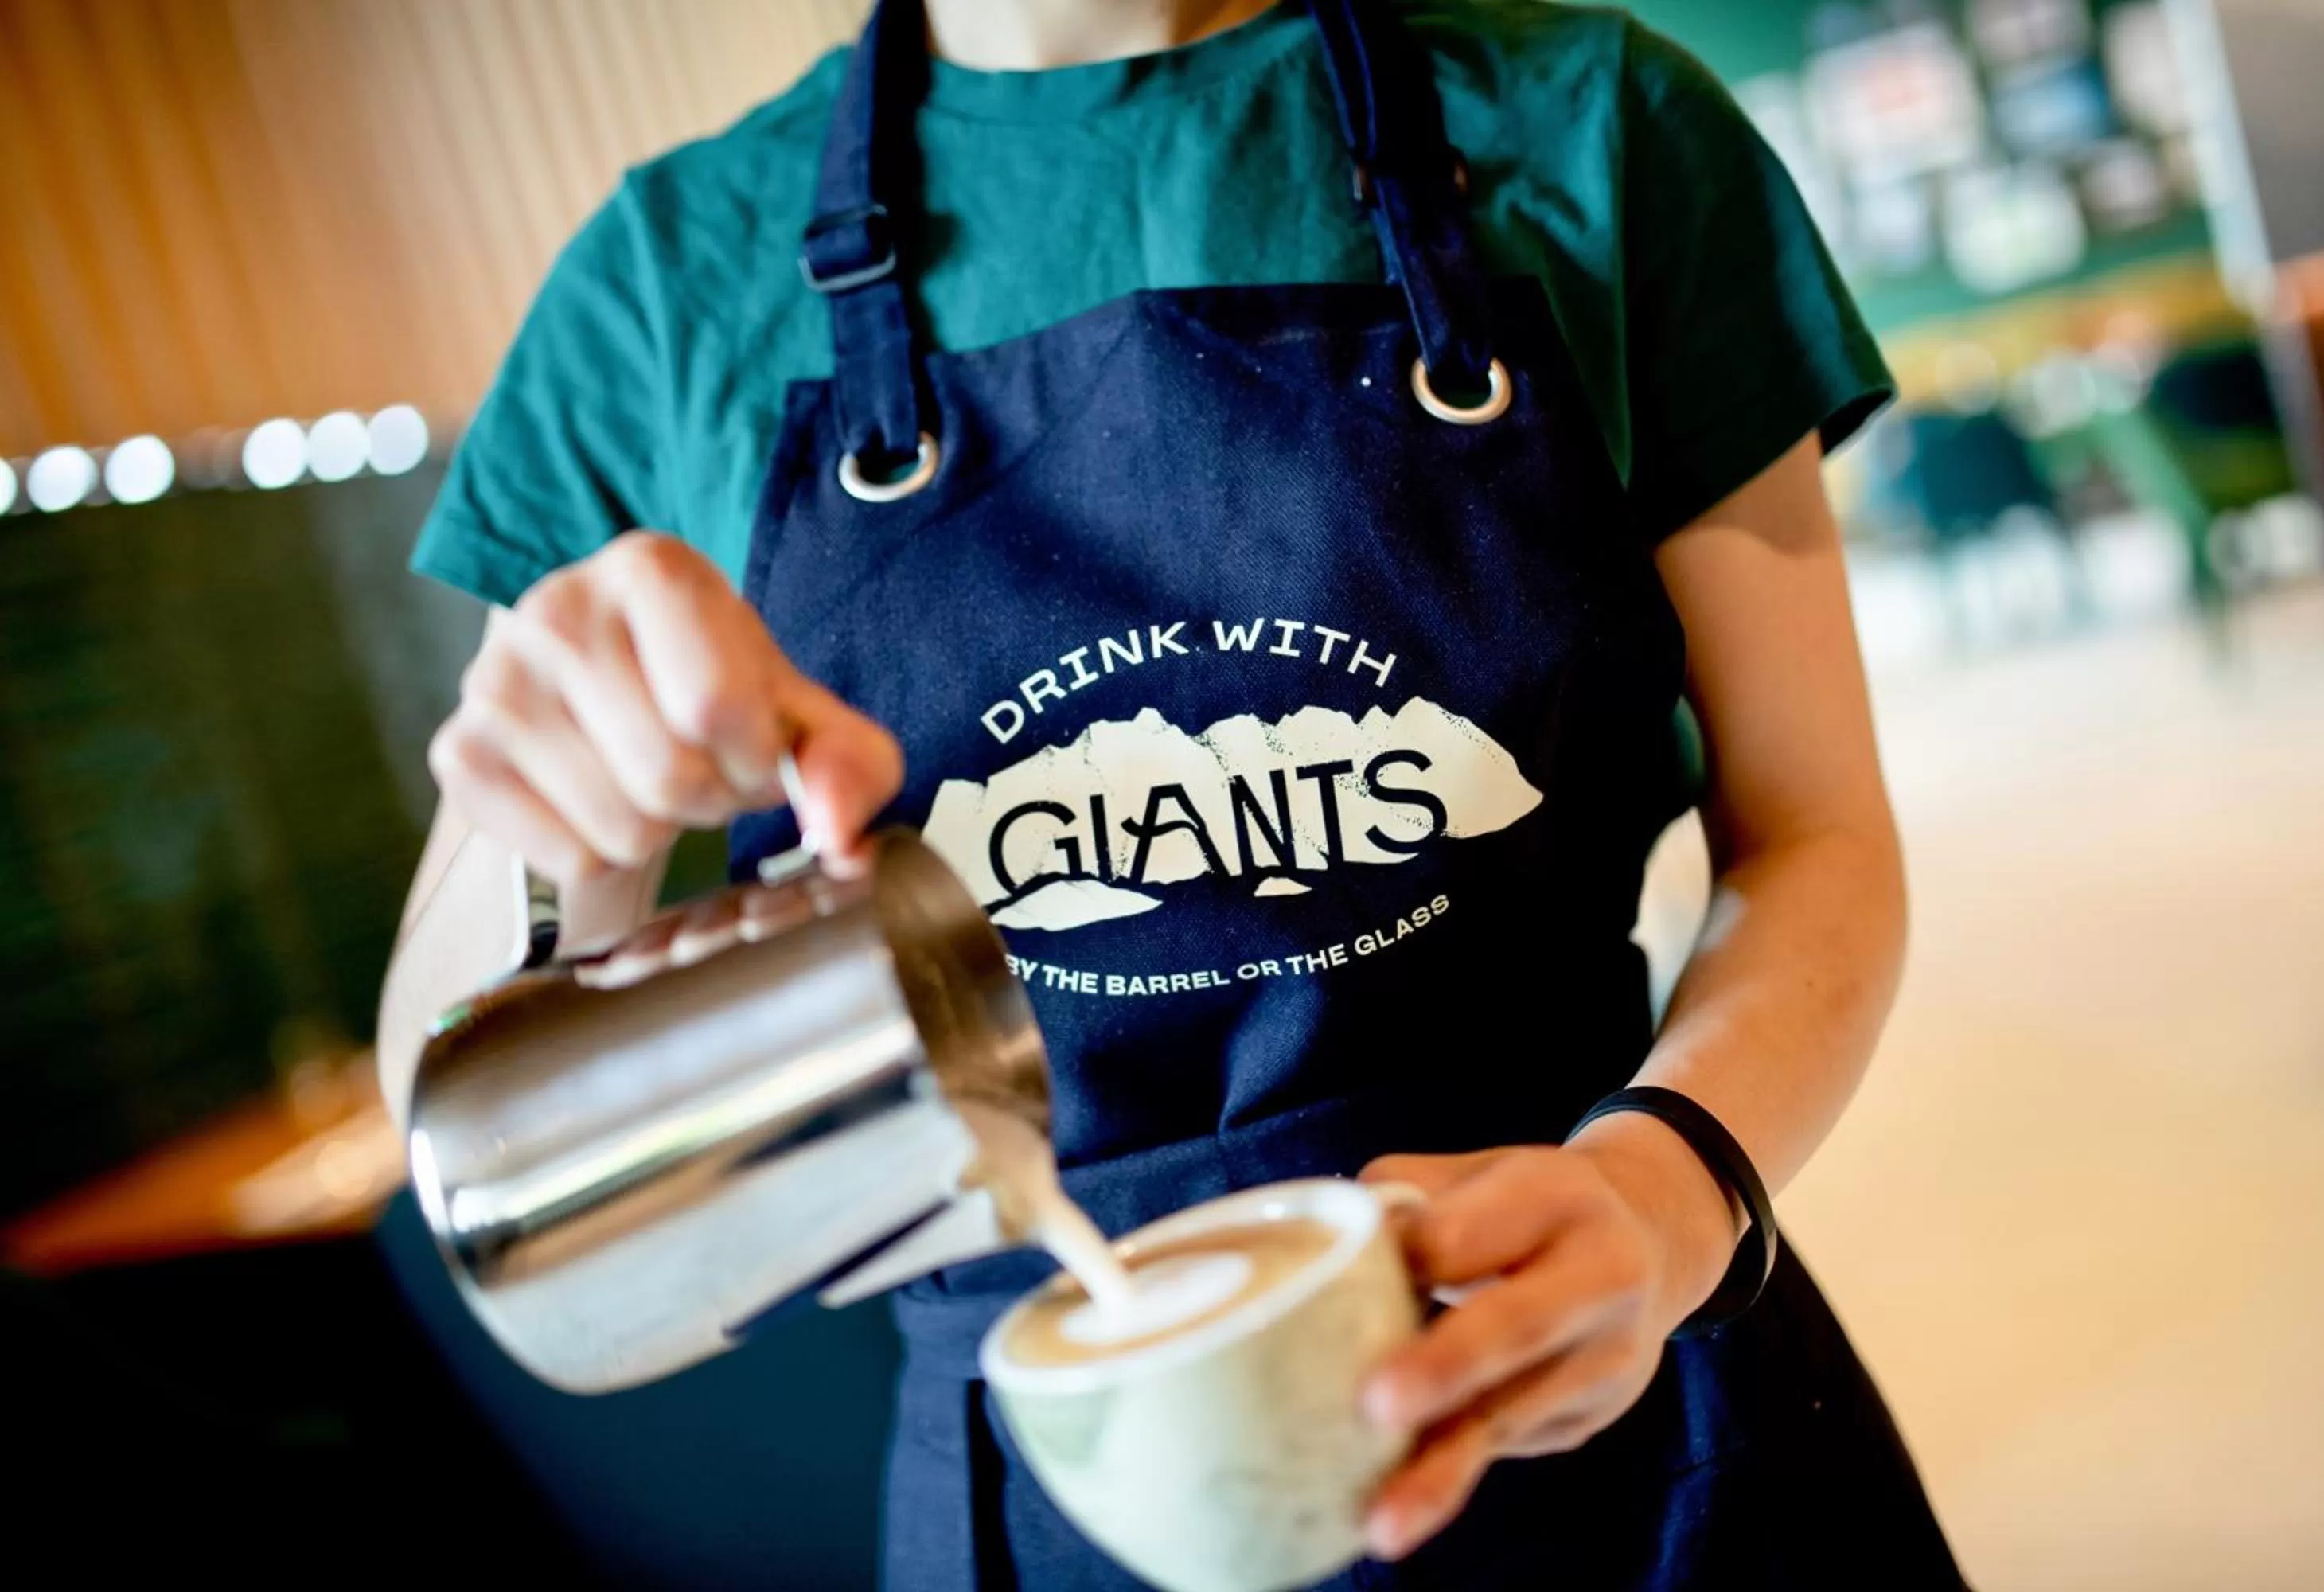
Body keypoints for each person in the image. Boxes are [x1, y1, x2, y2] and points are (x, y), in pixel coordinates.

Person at [377, 0, 1964, 1585]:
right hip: (1046, 1508)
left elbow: (1815, 834)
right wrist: (564, 830)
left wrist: (1665, 1188)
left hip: (1632, 1420)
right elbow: (447, 1092)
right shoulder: (661, 287)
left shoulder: (1601, 126)